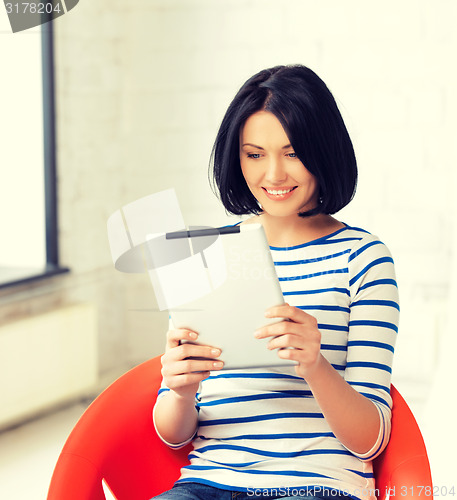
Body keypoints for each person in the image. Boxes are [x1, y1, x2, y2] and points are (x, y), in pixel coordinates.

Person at [151, 65, 399, 500]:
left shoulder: (363, 258)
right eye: (254, 154)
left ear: (323, 151)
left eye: (293, 152)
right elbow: (173, 436)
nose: (274, 175)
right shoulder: (206, 258)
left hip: (317, 485)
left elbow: (371, 439)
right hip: (207, 483)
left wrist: (315, 366)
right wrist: (181, 391)